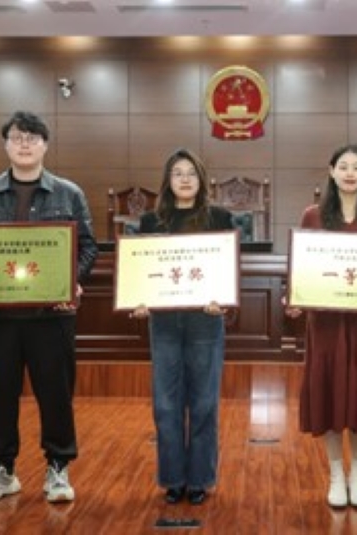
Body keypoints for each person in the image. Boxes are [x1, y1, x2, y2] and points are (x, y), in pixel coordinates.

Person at [0, 111, 98, 505]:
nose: (24, 144)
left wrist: (73, 280)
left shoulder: (69, 193)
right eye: (16, 137)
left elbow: (89, 247)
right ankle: (1, 471)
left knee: (56, 396)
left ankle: (58, 468)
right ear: (6, 145)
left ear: (45, 145)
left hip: (52, 316)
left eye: (32, 137)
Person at [285, 144, 357, 508]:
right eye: (343, 166)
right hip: (327, 325)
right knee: (329, 392)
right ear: (331, 171)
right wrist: (295, 297)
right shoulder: (313, 216)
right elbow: (301, 269)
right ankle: (335, 474)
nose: (350, 173)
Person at [130, 148, 234, 506]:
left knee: (204, 403)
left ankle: (200, 479)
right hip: (164, 322)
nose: (185, 179)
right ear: (168, 181)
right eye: (178, 173)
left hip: (205, 319)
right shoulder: (151, 222)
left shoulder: (219, 218)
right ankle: (173, 478)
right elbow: (141, 271)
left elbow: (228, 269)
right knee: (166, 404)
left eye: (191, 173)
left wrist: (223, 298)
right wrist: (139, 298)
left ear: (201, 180)